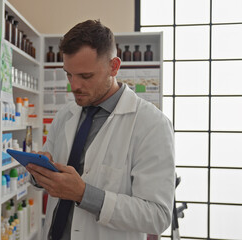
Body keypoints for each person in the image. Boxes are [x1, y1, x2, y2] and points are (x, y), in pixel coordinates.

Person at [26, 20, 175, 240]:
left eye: (86, 76)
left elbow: (158, 216)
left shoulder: (151, 124)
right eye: (69, 74)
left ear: (114, 66)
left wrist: (84, 194)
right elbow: (55, 177)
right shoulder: (66, 114)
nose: (74, 86)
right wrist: (40, 174)